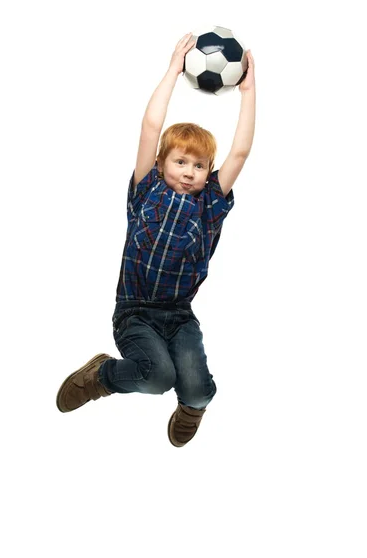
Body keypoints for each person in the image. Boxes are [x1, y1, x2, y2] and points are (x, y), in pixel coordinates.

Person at [56, 33, 256, 447]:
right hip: (135, 312)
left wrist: (248, 93)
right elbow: (151, 127)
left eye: (199, 165)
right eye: (180, 161)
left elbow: (239, 153)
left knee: (200, 390)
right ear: (162, 163)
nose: (189, 170)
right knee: (157, 377)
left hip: (179, 315)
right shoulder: (146, 190)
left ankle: (191, 406)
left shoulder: (210, 205)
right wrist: (172, 71)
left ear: (208, 173)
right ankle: (101, 375)